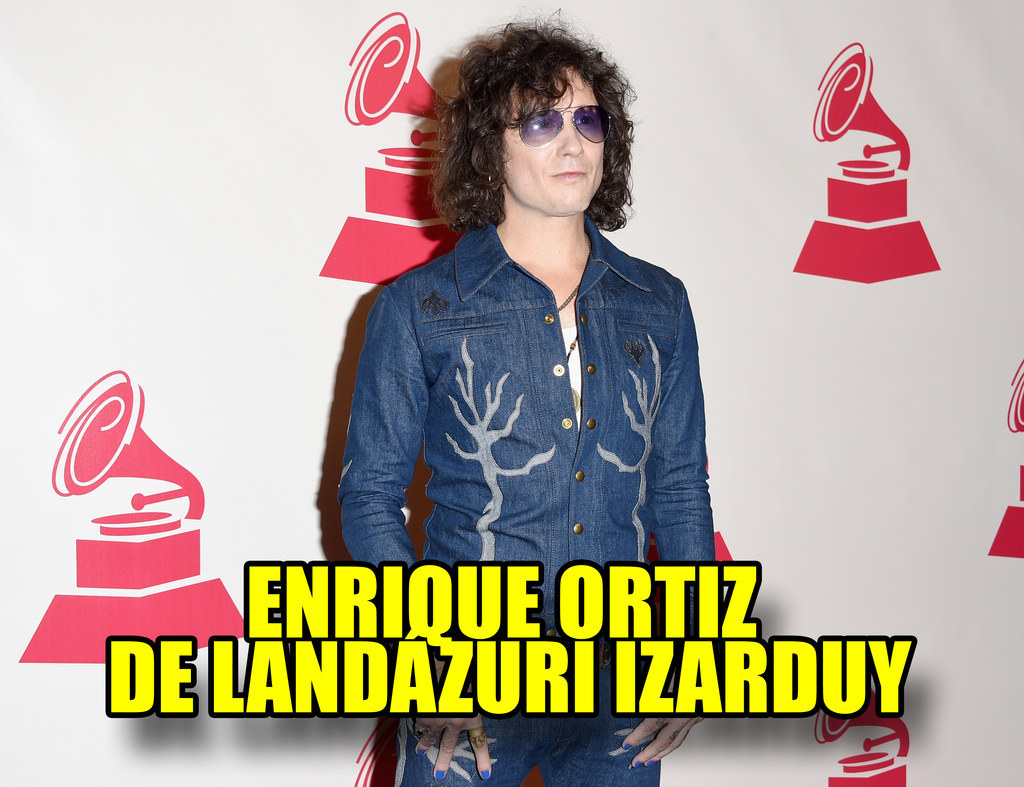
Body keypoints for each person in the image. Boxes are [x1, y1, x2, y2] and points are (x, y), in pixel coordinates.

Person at [338, 19, 714, 785]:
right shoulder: (419, 307)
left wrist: (695, 650)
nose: (572, 142)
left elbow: (679, 489)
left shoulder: (659, 302)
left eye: (588, 119)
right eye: (542, 122)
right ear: (490, 147)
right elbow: (370, 496)